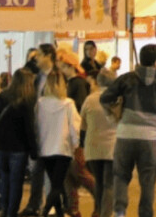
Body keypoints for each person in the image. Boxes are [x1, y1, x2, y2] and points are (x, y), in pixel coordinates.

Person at [99, 43, 156, 217]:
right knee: (148, 180)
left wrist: (111, 116)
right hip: (151, 138)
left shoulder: (126, 79)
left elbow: (105, 98)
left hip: (126, 134)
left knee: (121, 175)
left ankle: (119, 211)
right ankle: (145, 213)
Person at [0, 68, 37, 217]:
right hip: (18, 148)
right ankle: (11, 212)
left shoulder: (2, 96)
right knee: (16, 182)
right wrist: (33, 149)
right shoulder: (27, 100)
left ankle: (4, 209)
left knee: (4, 179)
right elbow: (29, 127)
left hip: (0, 146)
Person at [35, 71, 80, 217]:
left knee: (56, 184)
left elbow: (36, 125)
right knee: (57, 185)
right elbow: (75, 126)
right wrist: (76, 144)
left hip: (45, 148)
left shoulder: (40, 103)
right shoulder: (68, 104)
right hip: (63, 148)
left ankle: (59, 213)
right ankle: (45, 211)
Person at [20, 45, 56, 216]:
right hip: (38, 128)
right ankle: (34, 204)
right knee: (36, 168)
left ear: (48, 56)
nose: (37, 59)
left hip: (53, 129)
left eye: (39, 56)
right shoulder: (37, 77)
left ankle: (53, 205)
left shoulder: (57, 76)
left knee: (52, 170)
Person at [58, 50, 95, 217]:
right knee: (69, 175)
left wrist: (77, 136)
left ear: (66, 65)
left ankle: (101, 198)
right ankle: (73, 209)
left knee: (78, 172)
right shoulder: (73, 82)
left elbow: (79, 110)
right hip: (71, 136)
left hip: (76, 136)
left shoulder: (77, 84)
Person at [80, 70, 117, 217]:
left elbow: (82, 126)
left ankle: (99, 210)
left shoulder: (89, 100)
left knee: (99, 182)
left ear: (98, 82)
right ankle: (105, 214)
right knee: (109, 183)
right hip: (113, 147)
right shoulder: (117, 99)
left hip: (93, 147)